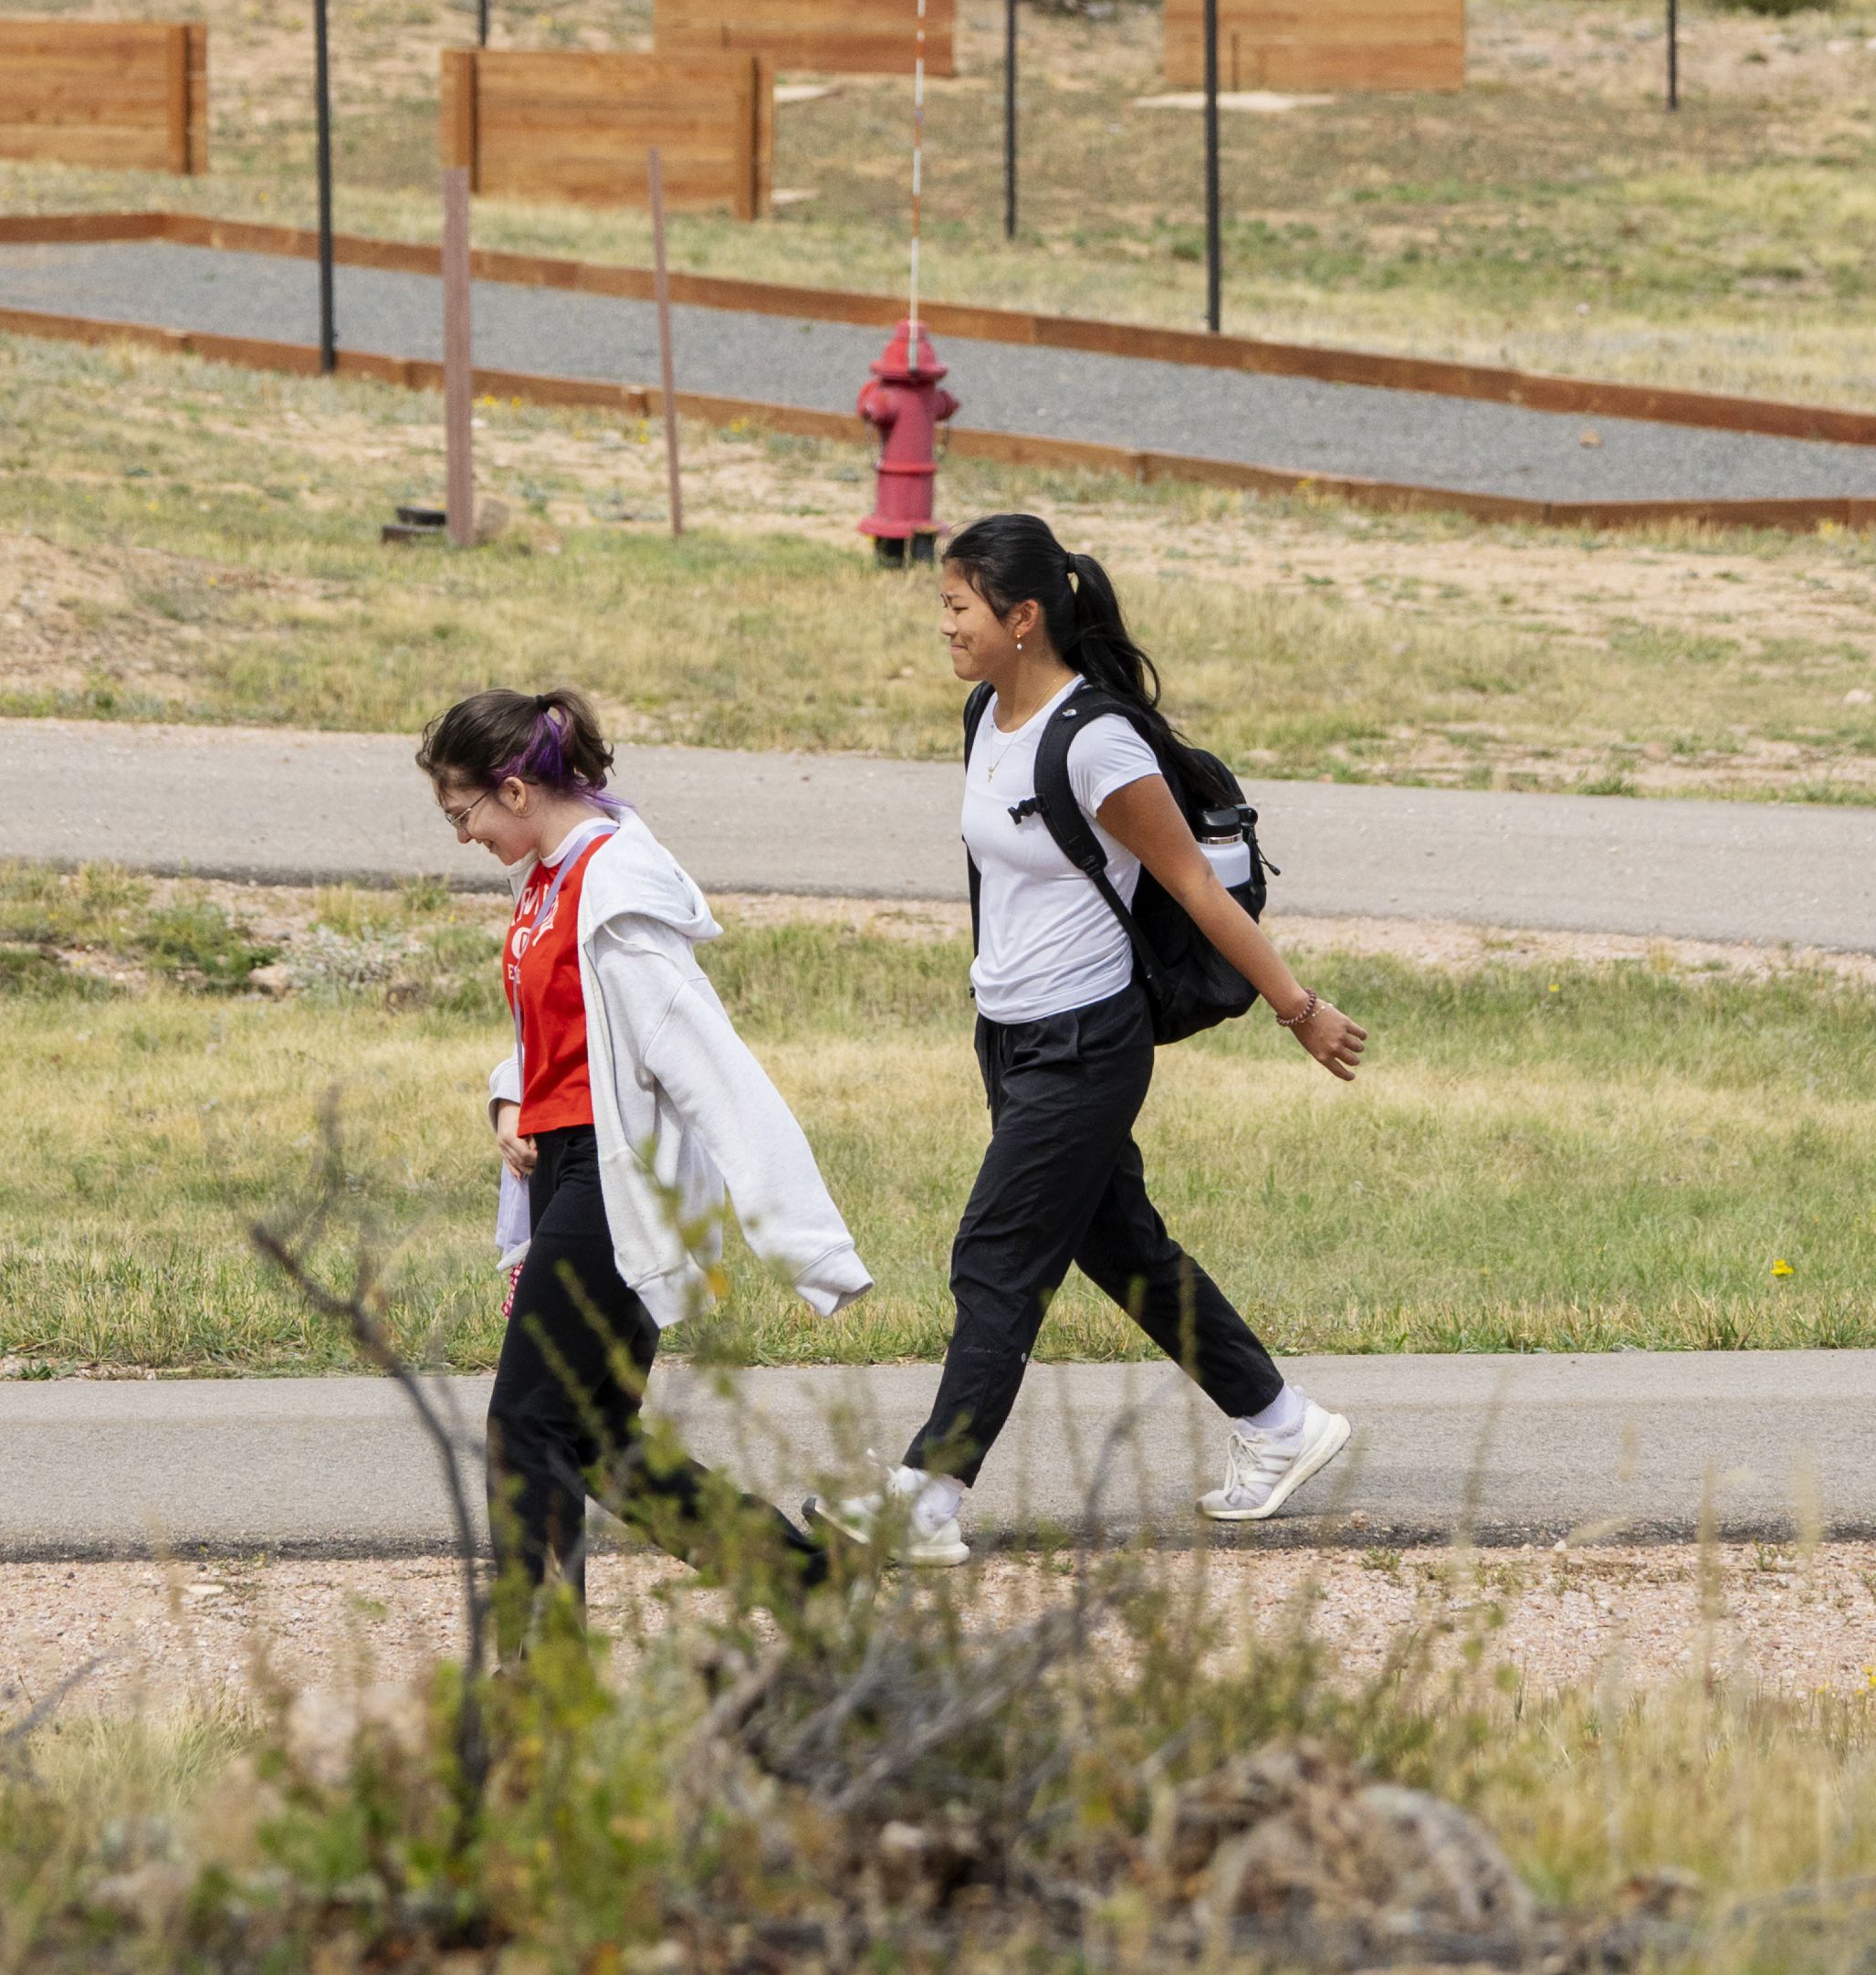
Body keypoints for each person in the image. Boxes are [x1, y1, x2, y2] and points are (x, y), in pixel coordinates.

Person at [881, 512, 1365, 1564]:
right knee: (1119, 1244)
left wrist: (1298, 1007)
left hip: (1088, 1043)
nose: (945, 627)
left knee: (996, 1256)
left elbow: (1193, 882)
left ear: (1021, 617)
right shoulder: (985, 715)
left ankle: (925, 1498)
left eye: (958, 608)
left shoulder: (1094, 740)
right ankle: (1283, 1425)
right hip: (1007, 1035)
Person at [425, 681, 879, 1629]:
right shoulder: (551, 874)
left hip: (615, 1182)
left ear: (513, 789)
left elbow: (705, 1063)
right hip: (566, 1166)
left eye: (461, 810)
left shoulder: (613, 888)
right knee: (593, 1435)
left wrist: (806, 1242)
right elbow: (563, 1024)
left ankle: (542, 1677)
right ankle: (803, 1582)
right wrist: (513, 1093)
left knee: (526, 1422)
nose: (459, 833)